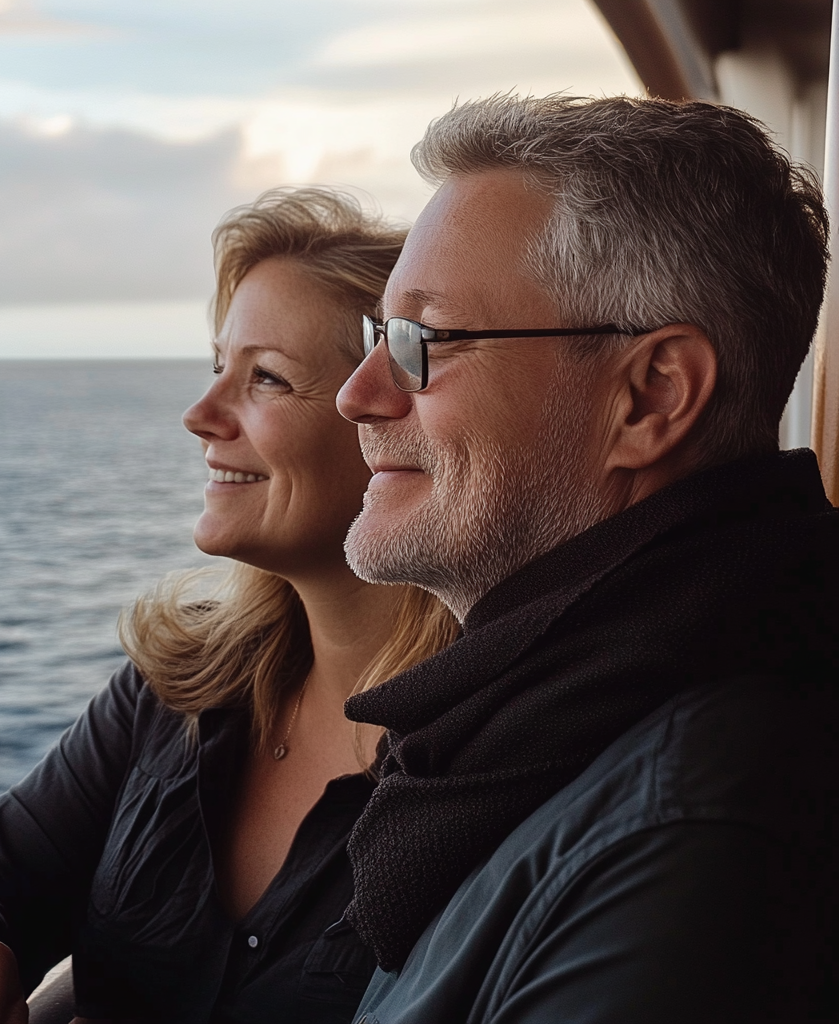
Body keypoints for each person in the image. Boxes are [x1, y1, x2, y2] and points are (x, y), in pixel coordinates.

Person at [0, 187, 457, 1024]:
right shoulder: (184, 684)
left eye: (265, 378)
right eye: (217, 369)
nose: (200, 416)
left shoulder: (484, 749)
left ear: (387, 416)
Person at [335, 95, 839, 1023]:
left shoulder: (698, 833)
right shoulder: (538, 727)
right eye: (377, 336)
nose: (358, 395)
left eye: (421, 341)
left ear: (652, 397)